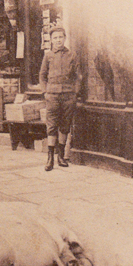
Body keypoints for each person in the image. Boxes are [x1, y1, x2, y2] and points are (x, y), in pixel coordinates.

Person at [39, 26, 83, 171]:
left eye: (60, 37)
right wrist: (45, 91)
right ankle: (50, 157)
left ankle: (61, 156)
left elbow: (78, 76)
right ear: (51, 40)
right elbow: (42, 75)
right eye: (55, 38)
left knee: (65, 125)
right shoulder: (48, 55)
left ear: (64, 38)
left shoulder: (72, 55)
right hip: (52, 96)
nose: (58, 40)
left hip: (68, 96)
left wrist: (75, 92)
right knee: (51, 126)